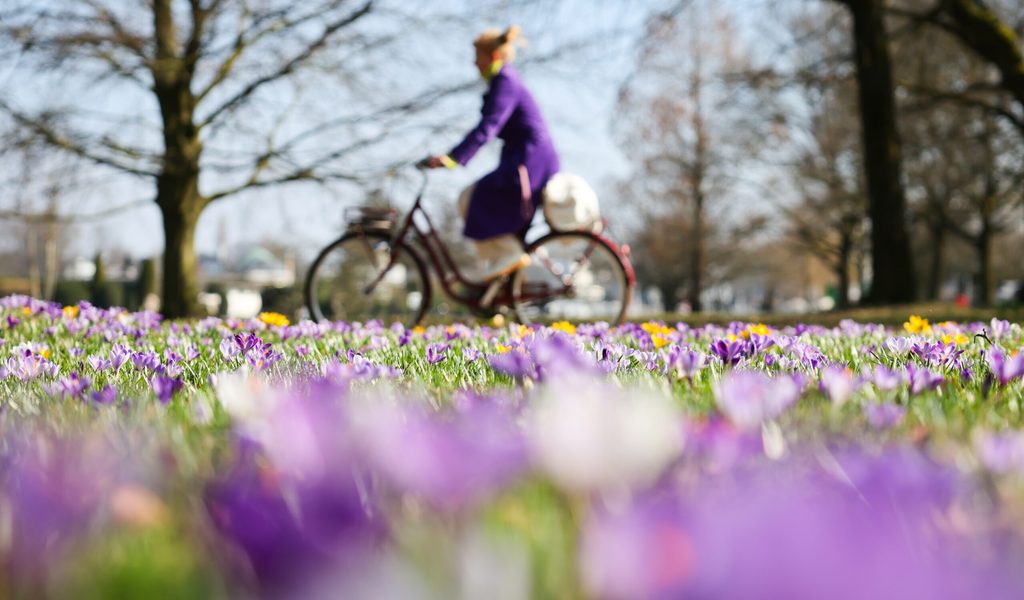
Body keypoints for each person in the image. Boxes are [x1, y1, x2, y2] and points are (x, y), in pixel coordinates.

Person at [423, 25, 560, 281]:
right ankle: (502, 283)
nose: (475, 64)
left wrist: (453, 158)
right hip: (524, 158)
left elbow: (488, 127)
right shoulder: (504, 80)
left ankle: (509, 255)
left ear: (493, 56)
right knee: (495, 216)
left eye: (478, 57)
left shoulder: (505, 81)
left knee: (470, 199)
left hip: (530, 161)